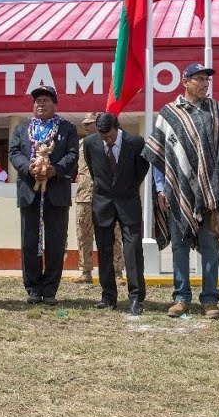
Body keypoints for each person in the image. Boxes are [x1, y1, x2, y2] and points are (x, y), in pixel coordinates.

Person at [144, 63, 219, 321]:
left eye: (206, 80)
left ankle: (210, 299)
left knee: (210, 246)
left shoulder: (218, 111)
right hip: (178, 191)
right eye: (199, 79)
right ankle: (181, 297)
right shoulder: (169, 113)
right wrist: (161, 187)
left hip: (211, 193)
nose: (204, 84)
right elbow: (159, 155)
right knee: (179, 246)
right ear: (185, 81)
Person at [8, 84, 79, 305]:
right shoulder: (21, 129)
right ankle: (33, 288)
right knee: (29, 241)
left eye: (46, 100)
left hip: (56, 193)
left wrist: (54, 170)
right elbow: (14, 153)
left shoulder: (67, 128)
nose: (41, 104)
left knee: (55, 242)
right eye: (37, 100)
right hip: (29, 192)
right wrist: (27, 168)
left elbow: (73, 155)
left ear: (55, 104)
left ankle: (50, 290)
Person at [83, 112, 151, 315]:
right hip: (102, 203)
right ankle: (108, 296)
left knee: (132, 250)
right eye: (103, 137)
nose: (107, 140)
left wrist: (125, 188)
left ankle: (136, 297)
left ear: (117, 128)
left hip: (128, 202)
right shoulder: (90, 143)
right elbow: (94, 171)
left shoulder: (136, 143)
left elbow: (141, 170)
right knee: (104, 250)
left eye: (111, 136)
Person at [73, 111, 125, 285]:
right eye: (85, 123)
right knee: (83, 234)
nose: (86, 126)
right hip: (84, 195)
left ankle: (117, 272)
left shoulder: (112, 143)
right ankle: (85, 271)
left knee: (114, 234)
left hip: (107, 195)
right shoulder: (80, 145)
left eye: (90, 123)